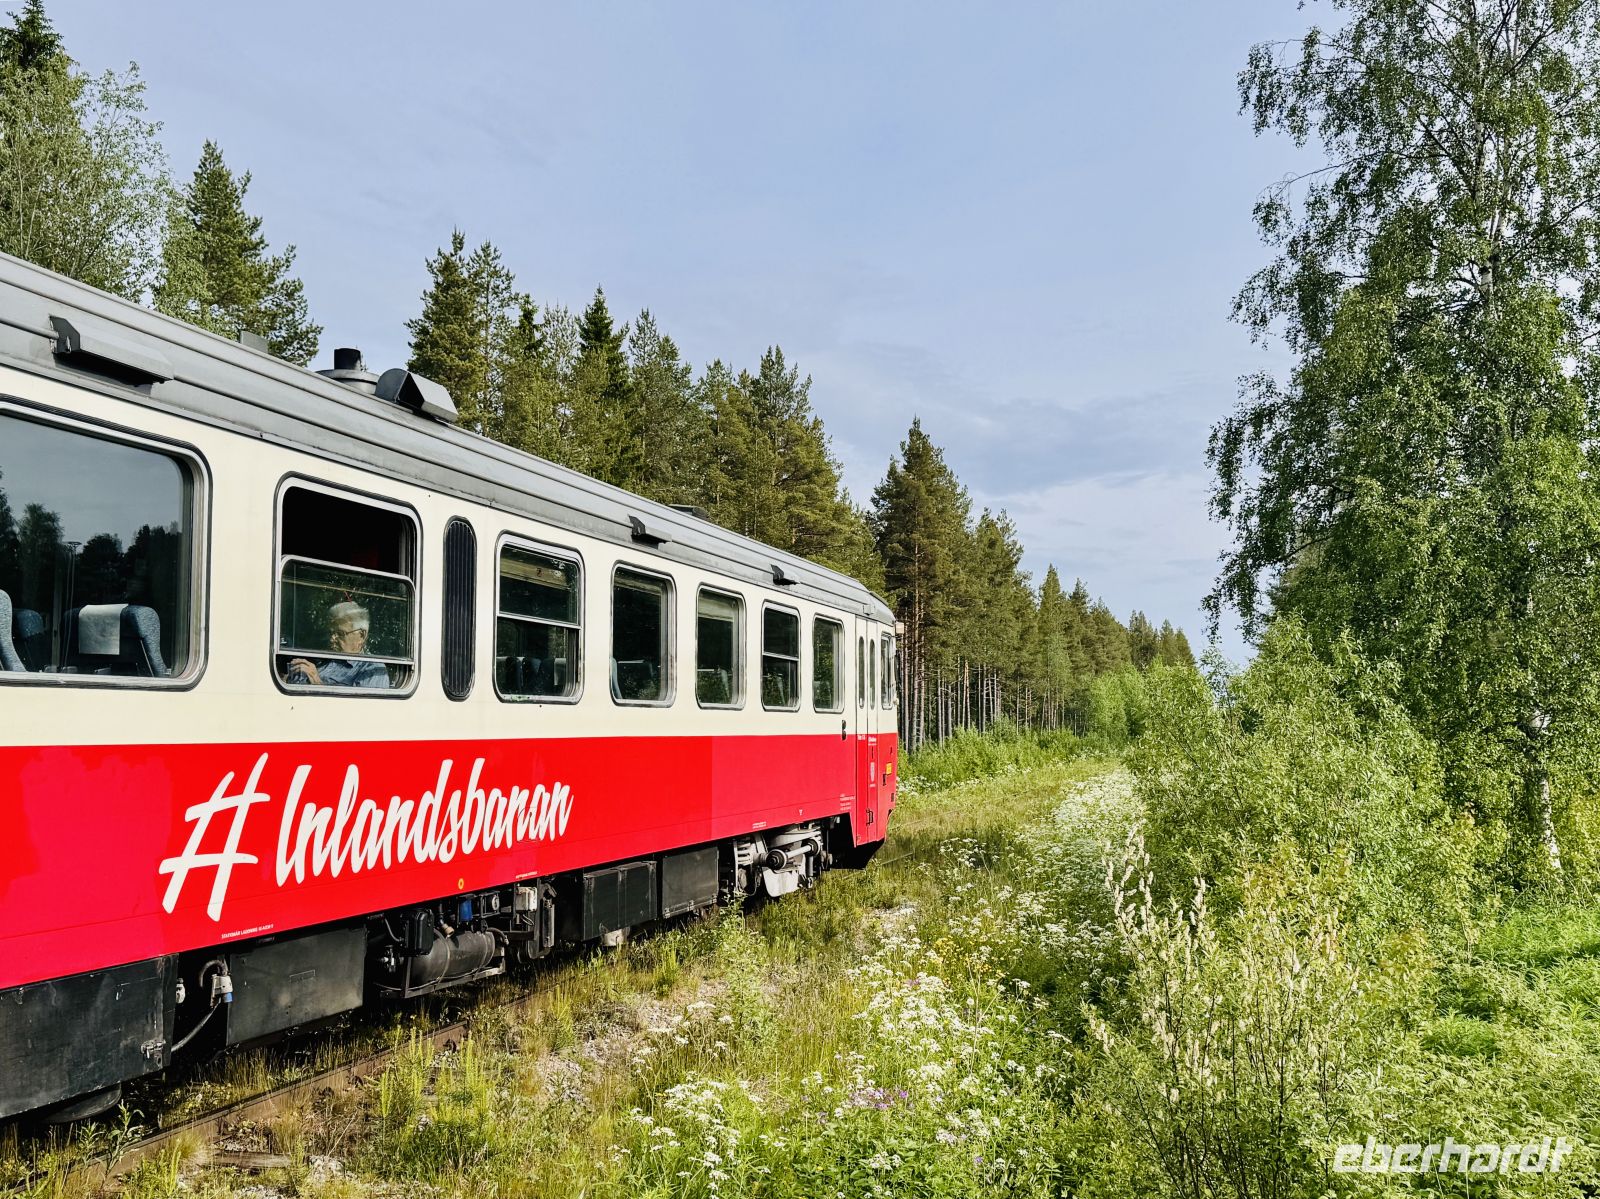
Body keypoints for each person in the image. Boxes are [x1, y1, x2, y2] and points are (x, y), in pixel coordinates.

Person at [284, 600, 389, 688]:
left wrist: (317, 683)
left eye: (340, 633)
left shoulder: (372, 669)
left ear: (361, 635)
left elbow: (361, 711)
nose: (332, 638)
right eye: (331, 633)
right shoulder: (324, 660)